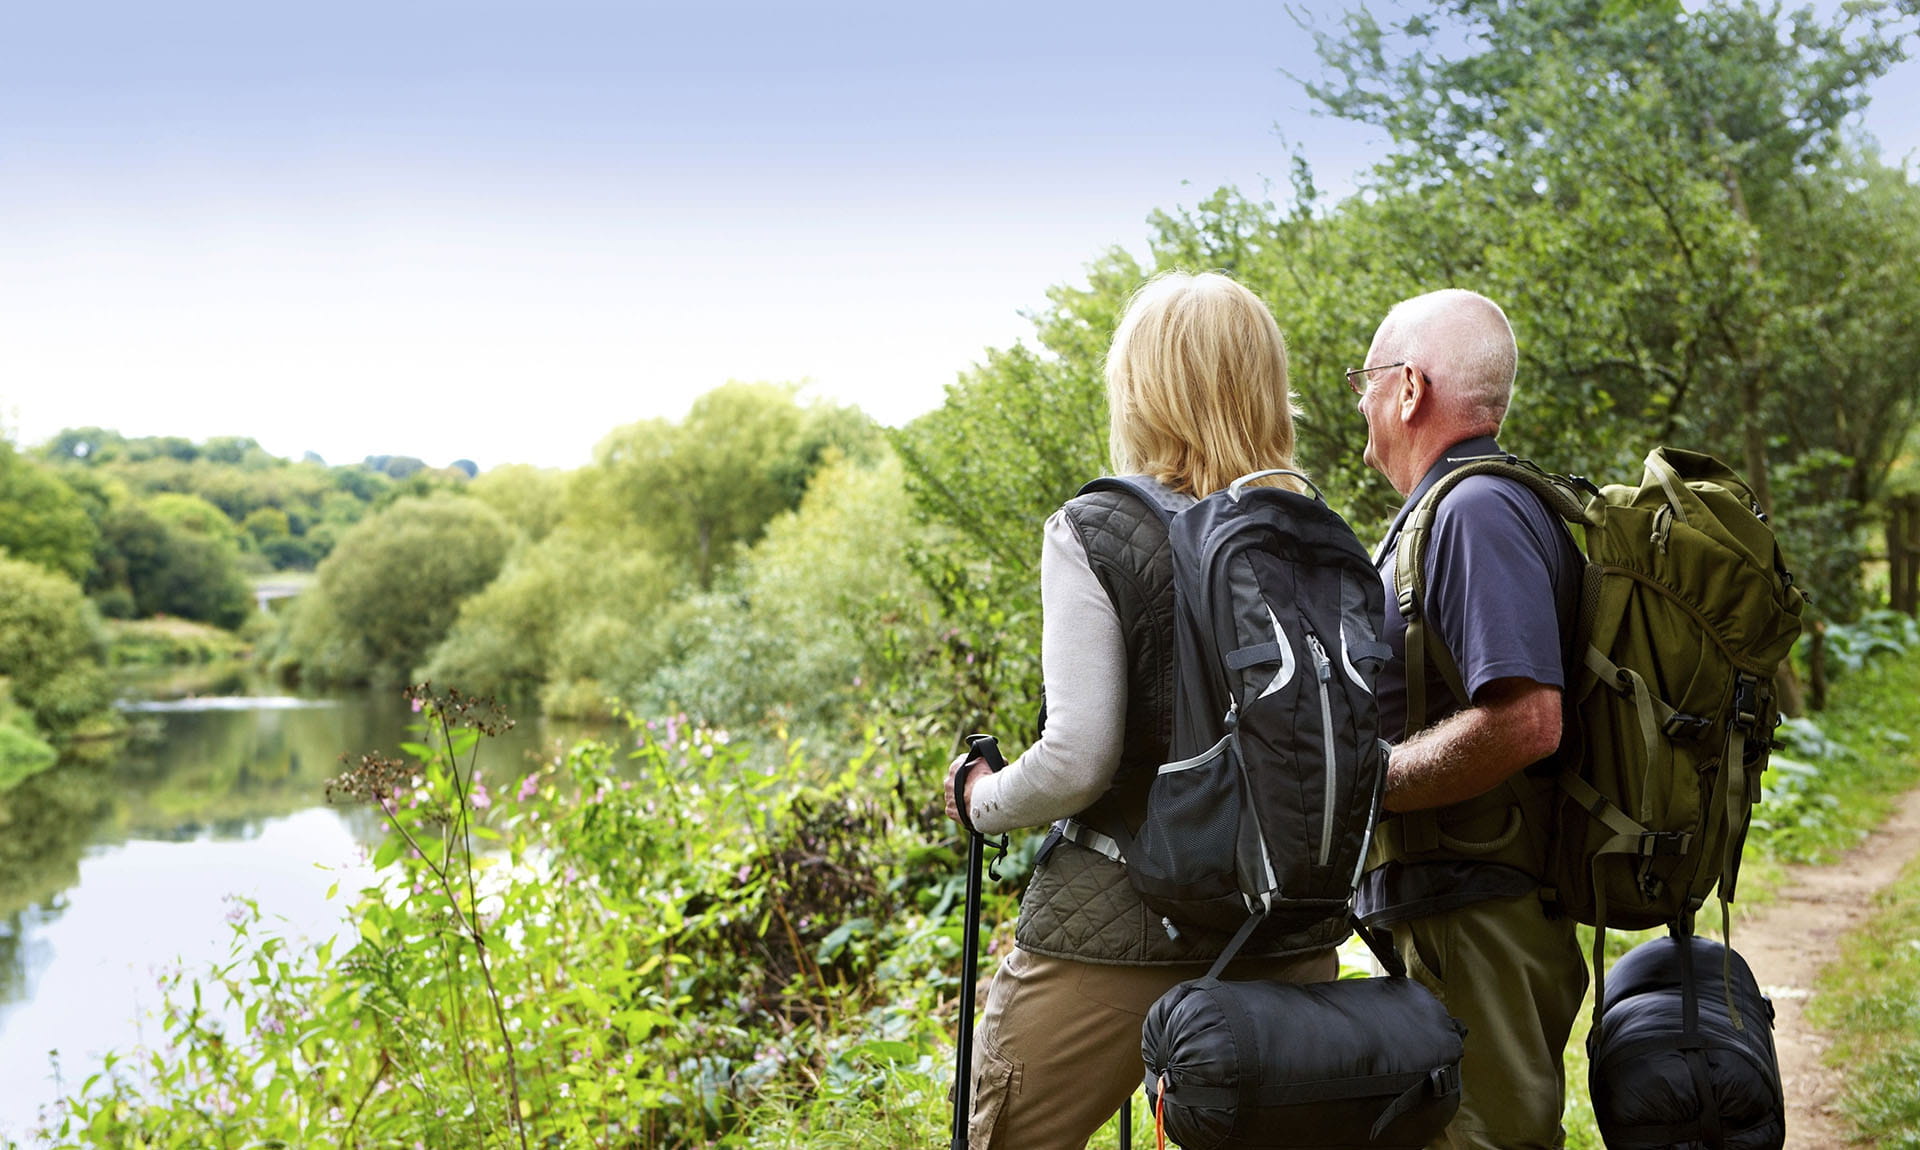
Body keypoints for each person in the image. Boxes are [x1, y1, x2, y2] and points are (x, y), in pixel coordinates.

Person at [942, 270, 1341, 1150]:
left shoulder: (1094, 528)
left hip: (1116, 935)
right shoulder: (1312, 535)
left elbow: (1078, 758)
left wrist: (983, 799)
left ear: (1142, 389)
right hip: (1289, 932)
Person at [1350, 288, 1588, 1149]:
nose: (1363, 403)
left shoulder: (1475, 515)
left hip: (1481, 916)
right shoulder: (1454, 512)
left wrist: (1363, 787)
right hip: (1455, 910)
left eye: (1365, 382)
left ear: (1409, 389)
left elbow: (1527, 720)